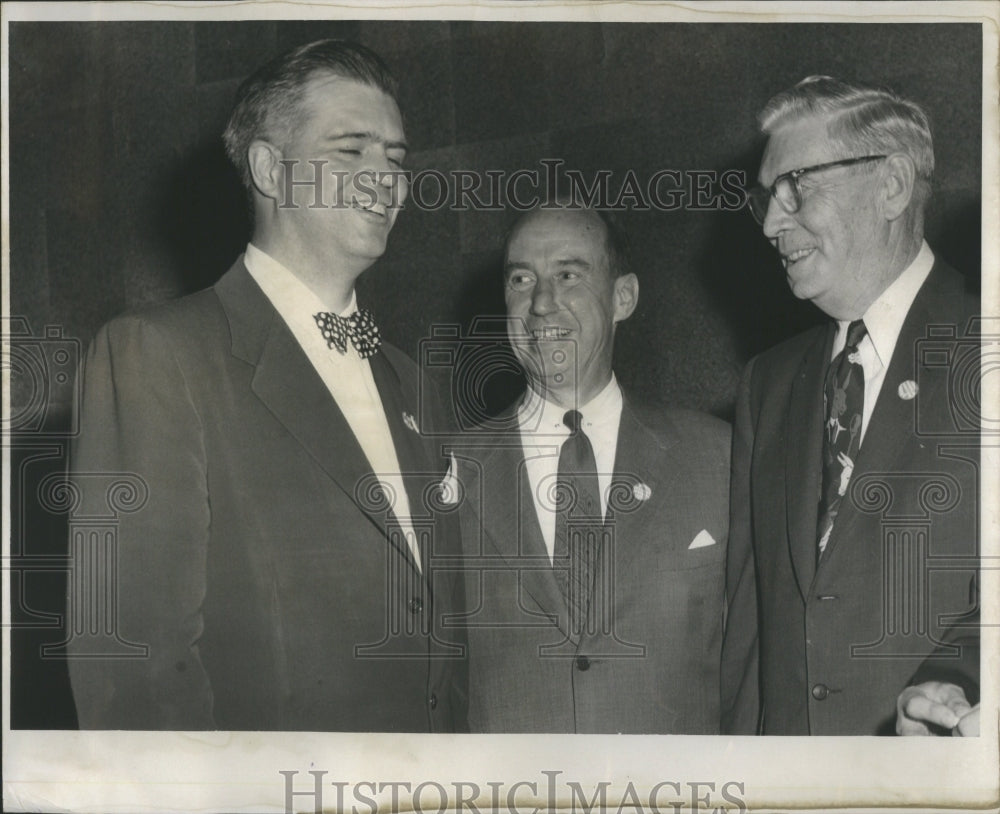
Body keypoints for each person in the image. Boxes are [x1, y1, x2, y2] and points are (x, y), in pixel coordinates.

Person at [66, 39, 466, 731]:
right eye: (352, 150)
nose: (386, 179)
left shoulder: (413, 383)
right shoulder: (157, 354)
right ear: (268, 169)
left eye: (396, 159)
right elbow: (135, 673)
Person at [721, 76, 980, 735]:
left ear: (891, 185)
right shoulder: (767, 384)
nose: (773, 222)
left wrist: (960, 679)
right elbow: (752, 624)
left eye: (796, 187)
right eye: (766, 198)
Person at [452, 202, 730, 733]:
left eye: (568, 275)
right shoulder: (451, 471)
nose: (541, 303)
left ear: (623, 297)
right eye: (520, 279)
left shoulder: (719, 458)